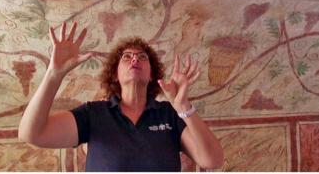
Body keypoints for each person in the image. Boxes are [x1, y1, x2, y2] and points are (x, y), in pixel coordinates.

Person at [18, 21, 224, 171]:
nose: (135, 59)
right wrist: (54, 75)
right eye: (127, 57)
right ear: (115, 74)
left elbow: (212, 160)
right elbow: (31, 134)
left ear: (152, 74)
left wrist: (183, 107)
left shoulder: (169, 115)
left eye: (142, 57)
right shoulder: (94, 114)